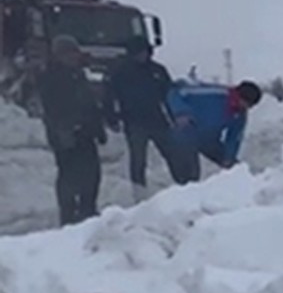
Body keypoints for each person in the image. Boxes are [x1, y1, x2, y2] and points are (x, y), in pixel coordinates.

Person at [37, 34, 107, 226]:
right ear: (58, 55)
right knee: (69, 175)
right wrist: (65, 129)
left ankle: (88, 209)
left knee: (92, 173)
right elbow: (53, 108)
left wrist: (98, 128)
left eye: (74, 52)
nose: (73, 56)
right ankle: (68, 215)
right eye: (68, 53)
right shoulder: (49, 76)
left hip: (86, 132)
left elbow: (90, 104)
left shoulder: (79, 74)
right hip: (65, 134)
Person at [103, 34, 177, 200]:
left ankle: (182, 186)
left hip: (158, 120)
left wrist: (175, 117)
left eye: (144, 51)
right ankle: (139, 194)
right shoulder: (120, 71)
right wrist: (111, 118)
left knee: (173, 155)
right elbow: (108, 96)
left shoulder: (158, 70)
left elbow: (171, 96)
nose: (141, 55)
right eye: (138, 52)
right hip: (134, 121)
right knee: (138, 160)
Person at [167, 79, 263, 183]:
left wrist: (228, 157)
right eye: (247, 104)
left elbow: (234, 137)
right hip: (185, 134)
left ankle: (238, 190)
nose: (247, 108)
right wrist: (182, 113)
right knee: (191, 174)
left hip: (209, 140)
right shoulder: (214, 93)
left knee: (235, 168)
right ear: (240, 96)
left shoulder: (240, 113)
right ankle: (185, 193)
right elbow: (174, 93)